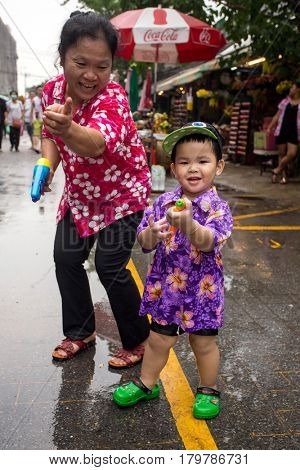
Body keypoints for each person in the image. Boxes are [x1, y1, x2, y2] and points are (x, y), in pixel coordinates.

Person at [41, 11, 151, 365]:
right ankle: (80, 331)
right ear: (62, 57)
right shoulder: (51, 91)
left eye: (102, 67)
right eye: (81, 63)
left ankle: (139, 340)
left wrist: (67, 128)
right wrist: (46, 164)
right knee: (66, 257)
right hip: (82, 195)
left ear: (111, 66)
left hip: (123, 194)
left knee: (110, 265)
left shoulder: (114, 99)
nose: (91, 76)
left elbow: (95, 143)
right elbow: (49, 135)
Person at [113, 122, 233, 420]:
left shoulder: (218, 207)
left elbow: (210, 242)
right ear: (173, 168)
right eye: (184, 162)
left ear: (218, 167)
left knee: (202, 343)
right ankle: (147, 383)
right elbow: (143, 241)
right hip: (168, 288)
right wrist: (153, 231)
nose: (193, 168)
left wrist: (189, 224)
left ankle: (208, 388)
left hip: (202, 291)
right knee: (158, 339)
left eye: (202, 161)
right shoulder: (163, 202)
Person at [268, 79, 300, 184]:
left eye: (293, 88)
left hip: (294, 131)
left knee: (291, 154)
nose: (291, 90)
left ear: (298, 90)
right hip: (282, 130)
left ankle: (276, 170)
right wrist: (270, 127)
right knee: (281, 154)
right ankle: (283, 177)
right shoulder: (285, 101)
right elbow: (277, 116)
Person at [32, 87, 43, 153]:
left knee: (43, 135)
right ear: (37, 91)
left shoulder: (45, 97)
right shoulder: (34, 99)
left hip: (44, 119)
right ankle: (37, 147)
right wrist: (31, 119)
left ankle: (41, 147)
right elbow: (32, 109)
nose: (40, 91)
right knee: (36, 134)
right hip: (36, 119)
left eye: (41, 90)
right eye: (39, 90)